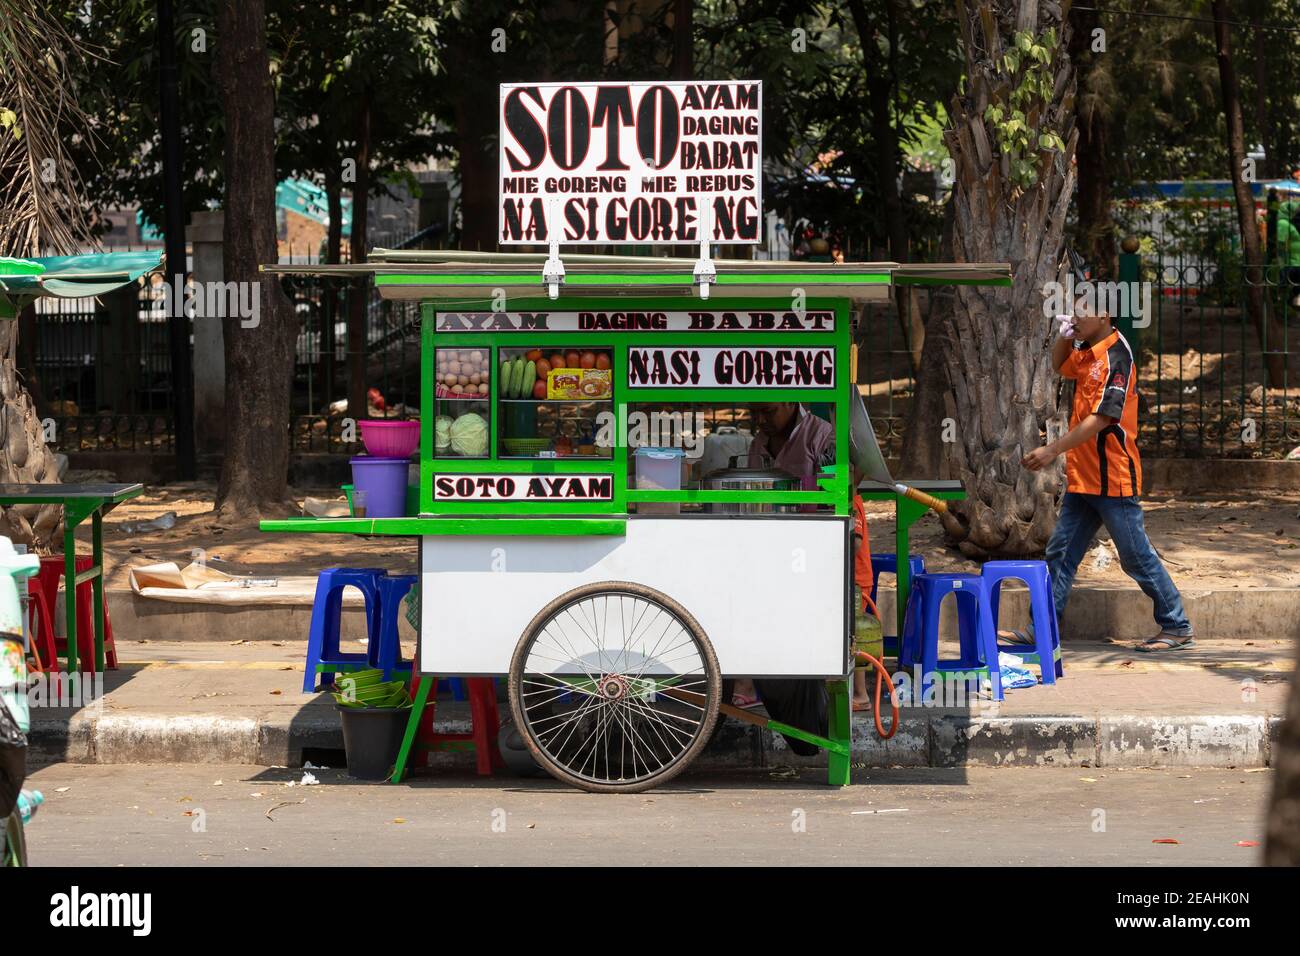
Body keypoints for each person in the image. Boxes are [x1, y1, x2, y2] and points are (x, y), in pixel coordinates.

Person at [1019, 301, 1194, 651]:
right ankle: (1042, 630)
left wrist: (1052, 450)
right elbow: (1060, 366)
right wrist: (1062, 338)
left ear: (1104, 315)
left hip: (1113, 478)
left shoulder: (1117, 355)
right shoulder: (1087, 349)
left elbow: (1102, 417)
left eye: (1082, 312)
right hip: (1085, 479)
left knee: (1135, 556)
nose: (1075, 317)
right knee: (1060, 552)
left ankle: (1176, 625)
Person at [730, 403, 834, 710]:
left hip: (813, 540)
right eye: (755, 413)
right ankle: (747, 679)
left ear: (791, 402)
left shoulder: (823, 436)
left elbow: (834, 497)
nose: (761, 421)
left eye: (768, 412)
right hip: (767, 539)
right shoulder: (758, 443)